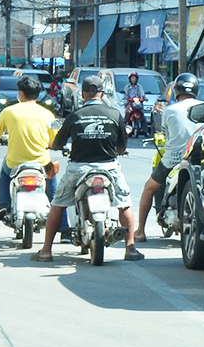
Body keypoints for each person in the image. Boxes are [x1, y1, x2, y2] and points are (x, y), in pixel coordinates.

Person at [32, 73, 142, 262]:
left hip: (78, 169)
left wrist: (52, 145)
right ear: (102, 93)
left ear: (83, 94)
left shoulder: (75, 116)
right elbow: (122, 147)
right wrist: (116, 150)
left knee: (57, 205)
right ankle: (130, 248)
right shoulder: (114, 114)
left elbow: (58, 143)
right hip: (109, 168)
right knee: (124, 203)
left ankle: (46, 251)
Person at [135, 73, 204, 241]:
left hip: (173, 160)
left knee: (148, 189)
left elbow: (164, 134)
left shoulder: (170, 110)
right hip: (199, 161)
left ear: (177, 90)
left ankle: (140, 231)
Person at [0, 75, 56, 222]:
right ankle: (63, 225)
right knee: (54, 190)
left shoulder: (9, 112)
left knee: (4, 172)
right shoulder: (48, 114)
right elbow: (54, 140)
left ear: (21, 94)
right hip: (41, 162)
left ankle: (3, 204)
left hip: (14, 163)